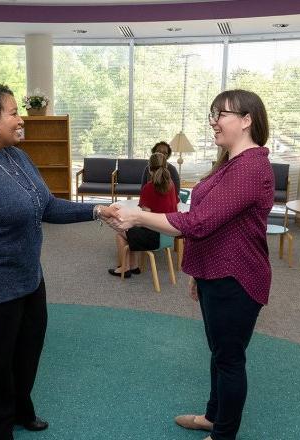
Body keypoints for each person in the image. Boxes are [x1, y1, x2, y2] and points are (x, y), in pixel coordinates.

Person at [0, 78, 117, 440]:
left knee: (27, 353)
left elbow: (45, 205)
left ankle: (19, 409)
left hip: (28, 279)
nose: (21, 119)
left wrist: (97, 211)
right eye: (14, 113)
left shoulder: (16, 155)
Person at [112, 89, 274, 440]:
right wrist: (199, 273)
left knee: (229, 359)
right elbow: (212, 222)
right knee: (219, 354)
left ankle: (223, 434)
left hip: (238, 276)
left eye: (223, 114)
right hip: (218, 273)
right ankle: (213, 417)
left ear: (247, 121)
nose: (214, 121)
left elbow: (198, 222)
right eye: (212, 114)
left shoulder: (250, 167)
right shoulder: (231, 163)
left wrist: (139, 216)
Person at [109, 152, 178, 277]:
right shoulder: (171, 185)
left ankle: (125, 267)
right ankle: (134, 266)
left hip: (154, 236)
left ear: (149, 169)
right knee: (133, 229)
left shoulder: (149, 188)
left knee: (121, 232)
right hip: (168, 234)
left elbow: (145, 217)